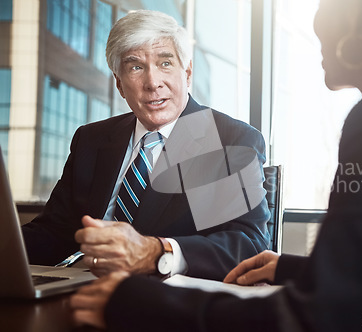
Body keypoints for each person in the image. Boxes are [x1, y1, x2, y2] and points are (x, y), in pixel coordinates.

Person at [71, 0, 362, 330]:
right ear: (118, 81)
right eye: (135, 66)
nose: (317, 20)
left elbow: (320, 317)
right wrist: (297, 267)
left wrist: (134, 301)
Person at [21, 10, 271, 282]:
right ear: (119, 83)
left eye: (165, 63)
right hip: (80, 287)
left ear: (186, 73)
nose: (153, 83)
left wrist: (156, 253)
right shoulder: (91, 140)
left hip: (167, 300)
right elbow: (54, 231)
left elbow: (248, 245)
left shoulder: (228, 141)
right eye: (136, 67)